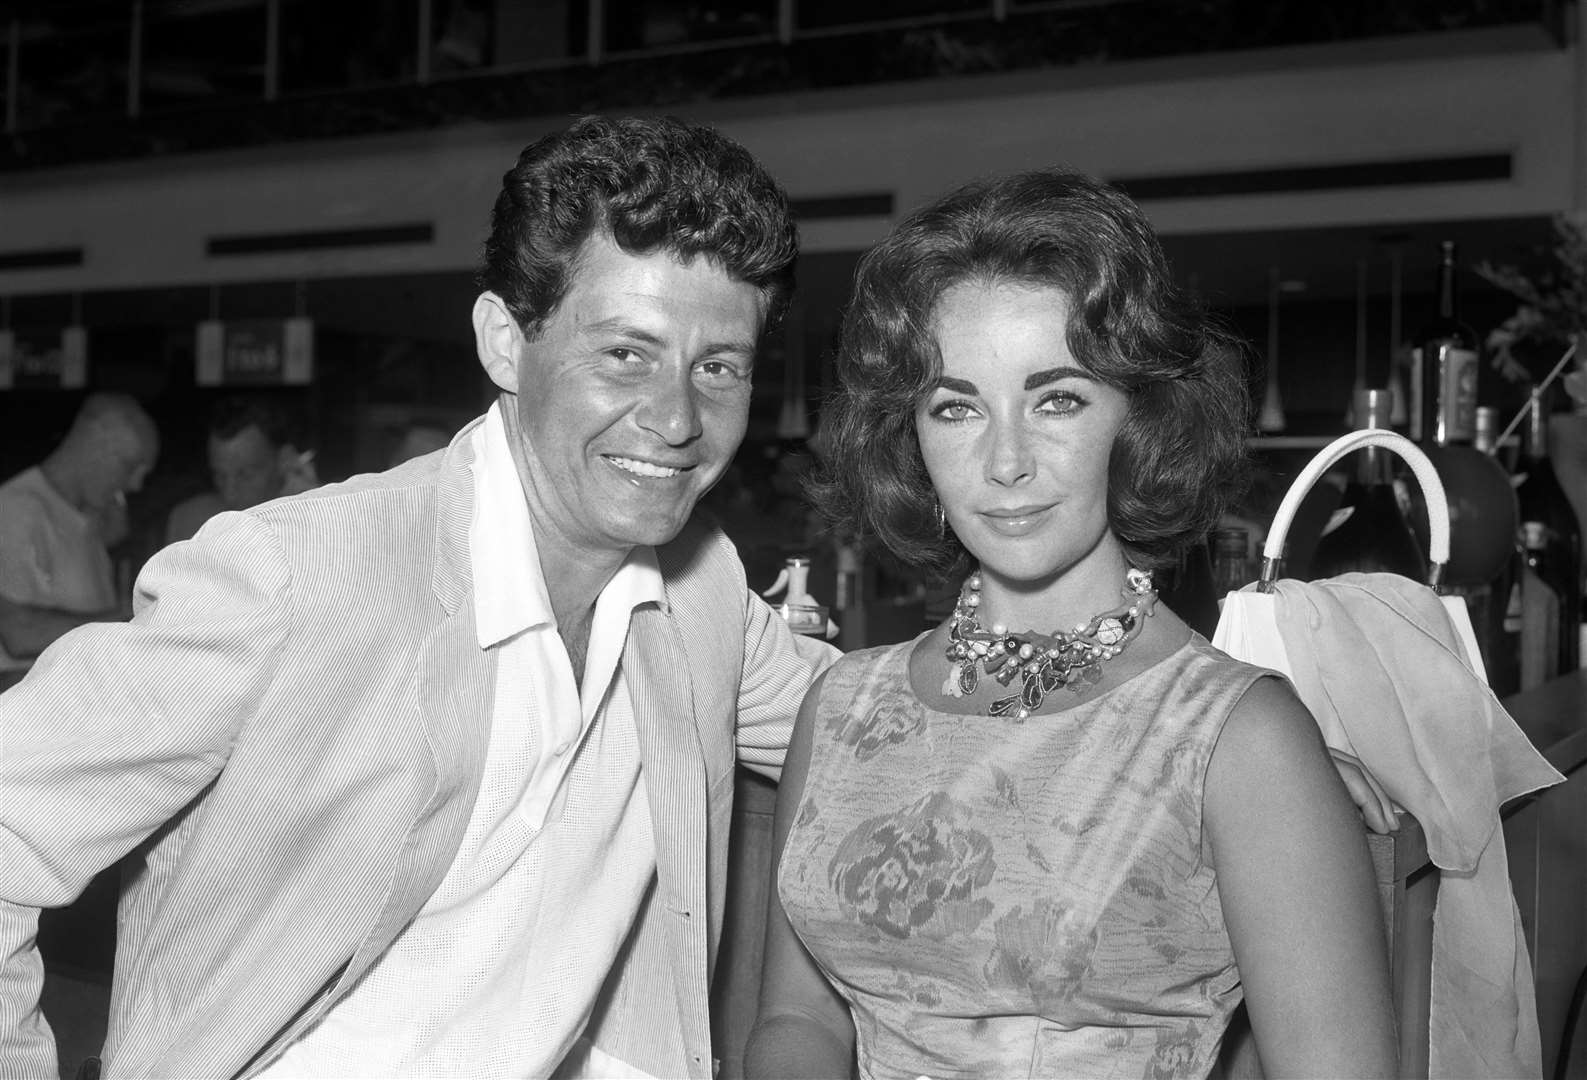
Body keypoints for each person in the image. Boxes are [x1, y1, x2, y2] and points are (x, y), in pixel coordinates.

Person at [0, 114, 836, 1079]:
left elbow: (873, 718)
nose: (678, 418)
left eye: (718, 367)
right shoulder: (295, 576)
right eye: (625, 354)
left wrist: (1042, 629)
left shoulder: (703, 591)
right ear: (503, 343)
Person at [745, 169, 1398, 1079]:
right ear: (911, 438)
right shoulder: (843, 703)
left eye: (1056, 399)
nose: (1003, 460)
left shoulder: (1239, 739)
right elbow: (796, 1024)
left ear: (1139, 422)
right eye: (956, 405)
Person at [0, 392, 159, 673]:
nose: (135, 484)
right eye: (130, 466)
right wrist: (128, 620)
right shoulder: (18, 509)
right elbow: (19, 634)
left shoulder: (82, 517)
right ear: (96, 444)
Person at [163, 393, 318, 545]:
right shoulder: (190, 523)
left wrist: (316, 511)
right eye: (220, 476)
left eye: (245, 475)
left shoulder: (315, 523)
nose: (230, 495)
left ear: (284, 461)